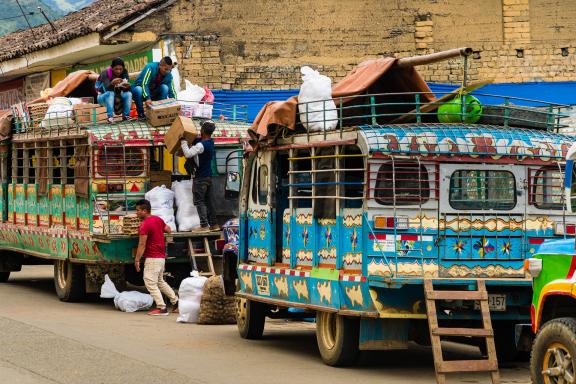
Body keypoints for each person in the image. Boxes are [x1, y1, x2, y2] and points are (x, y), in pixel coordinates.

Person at [134, 199, 178, 316]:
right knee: (160, 281)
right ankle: (176, 302)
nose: (136, 213)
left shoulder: (144, 225)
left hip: (153, 257)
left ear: (144, 211)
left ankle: (162, 307)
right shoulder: (158, 219)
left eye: (138, 210)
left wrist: (137, 259)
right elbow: (168, 229)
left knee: (149, 281)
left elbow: (142, 244)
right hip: (161, 256)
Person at [181, 120, 220, 233]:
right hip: (208, 177)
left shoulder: (201, 145)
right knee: (208, 201)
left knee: (199, 201)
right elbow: (197, 141)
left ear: (202, 130)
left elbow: (188, 153)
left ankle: (204, 225)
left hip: (200, 178)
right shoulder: (209, 142)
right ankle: (214, 224)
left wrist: (183, 142)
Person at [95, 57, 132, 124]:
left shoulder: (124, 72)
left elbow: (126, 89)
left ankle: (126, 116)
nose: (118, 71)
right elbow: (106, 88)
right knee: (110, 93)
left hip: (117, 96)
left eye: (120, 69)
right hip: (103, 96)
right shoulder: (105, 72)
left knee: (128, 94)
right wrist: (112, 83)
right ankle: (110, 118)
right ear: (112, 68)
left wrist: (128, 87)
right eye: (116, 69)